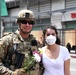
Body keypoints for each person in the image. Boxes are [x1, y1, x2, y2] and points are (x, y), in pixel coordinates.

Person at [0, 9, 41, 75]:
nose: (27, 25)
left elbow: (39, 63)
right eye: (24, 22)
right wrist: (11, 74)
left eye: (30, 22)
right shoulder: (8, 40)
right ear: (18, 22)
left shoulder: (35, 42)